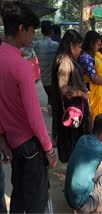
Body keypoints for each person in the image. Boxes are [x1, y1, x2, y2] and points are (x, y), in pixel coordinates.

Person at [0, 2, 57, 212]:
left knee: (19, 195)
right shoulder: (21, 66)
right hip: (30, 146)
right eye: (32, 30)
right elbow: (34, 117)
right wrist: (49, 150)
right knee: (36, 201)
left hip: (13, 144)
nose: (33, 36)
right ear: (21, 28)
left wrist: (2, 138)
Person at [52, 29, 91, 163]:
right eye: (79, 47)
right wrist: (81, 93)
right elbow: (63, 89)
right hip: (72, 111)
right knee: (73, 144)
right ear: (71, 46)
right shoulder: (64, 61)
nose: (80, 50)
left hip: (74, 109)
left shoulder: (69, 59)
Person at [34, 20, 59, 115]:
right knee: (53, 97)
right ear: (52, 31)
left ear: (41, 31)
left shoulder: (36, 44)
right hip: (53, 78)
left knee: (50, 96)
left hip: (44, 78)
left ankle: (51, 108)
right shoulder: (55, 45)